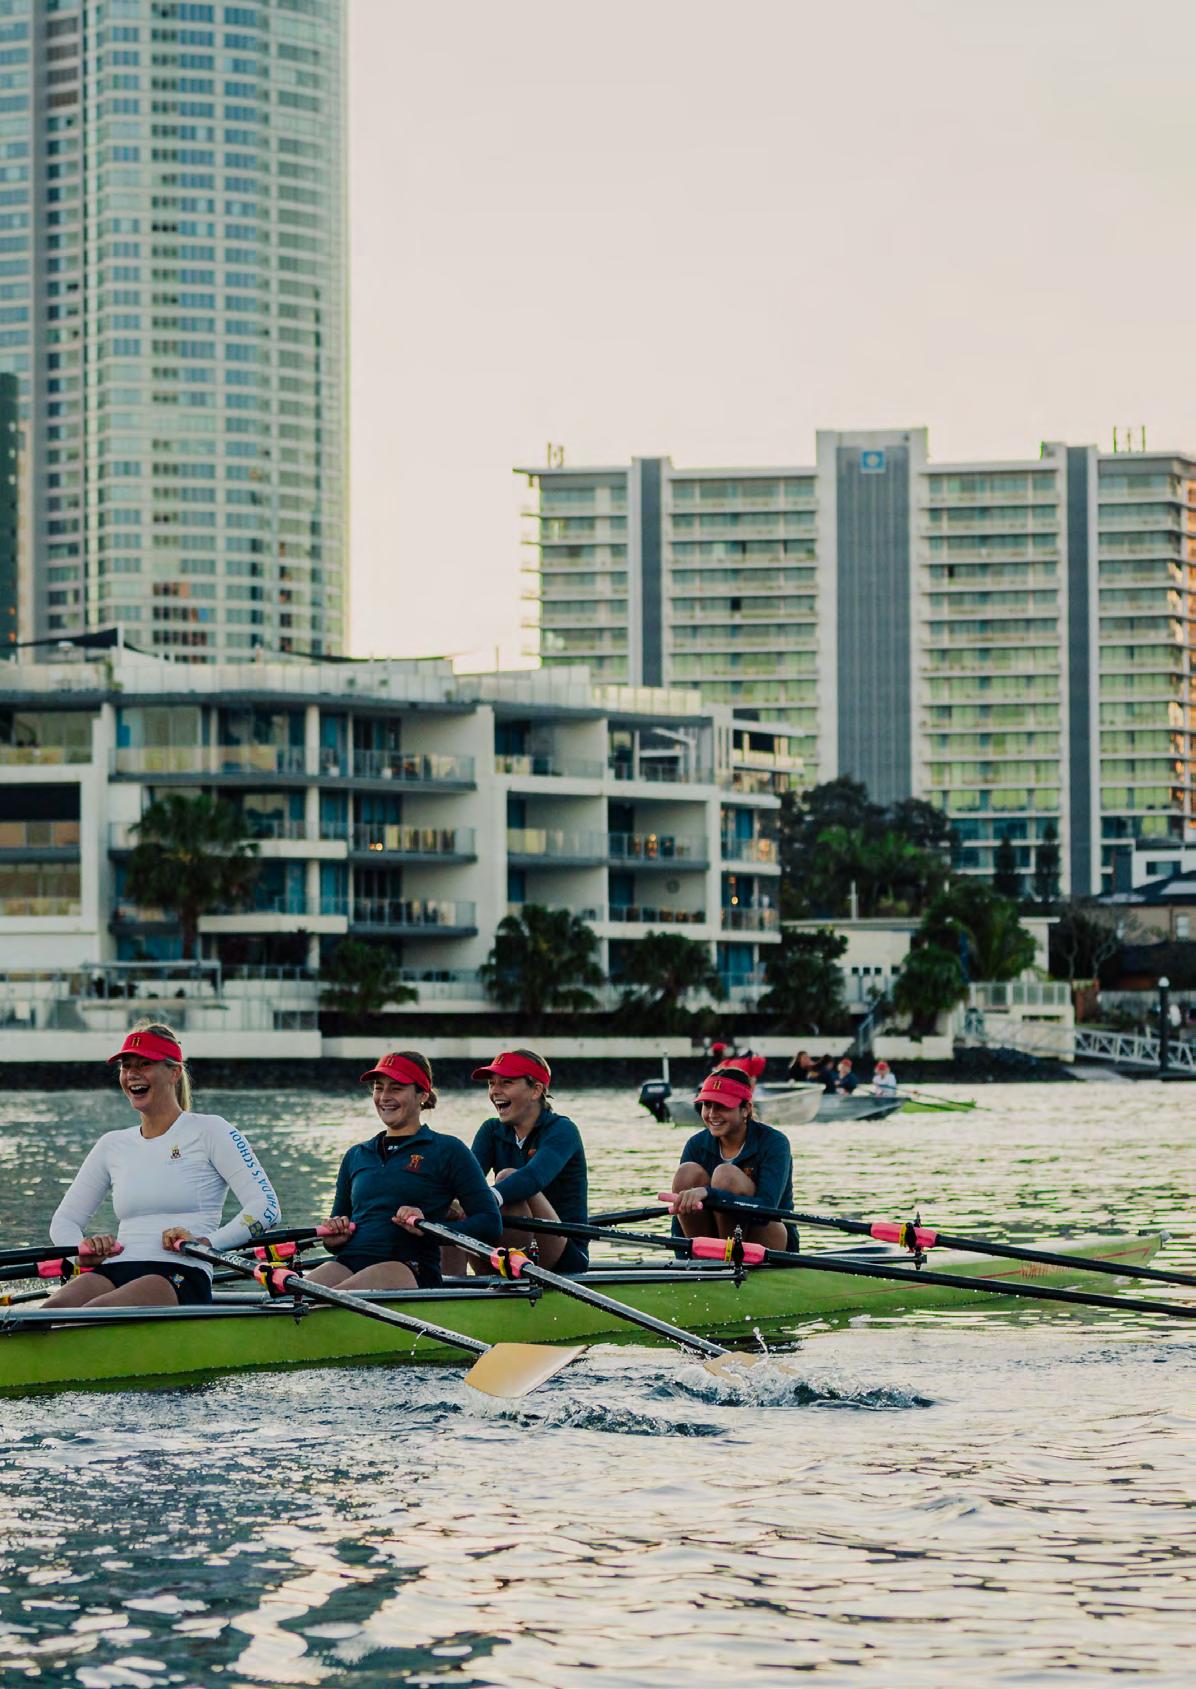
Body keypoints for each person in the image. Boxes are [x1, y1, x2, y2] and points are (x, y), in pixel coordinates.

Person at [46, 1021, 280, 1308]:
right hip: (116, 1267)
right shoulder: (112, 1144)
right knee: (44, 1315)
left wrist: (206, 1243)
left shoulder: (211, 1131)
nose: (132, 1074)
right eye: (126, 1066)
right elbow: (64, 1222)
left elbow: (267, 1207)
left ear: (174, 1072)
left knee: (88, 1316)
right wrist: (80, 1254)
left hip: (180, 1272)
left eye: (145, 1064)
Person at [312, 1050, 501, 1291]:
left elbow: (489, 1223)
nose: (384, 1097)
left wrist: (430, 1228)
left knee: (323, 1303)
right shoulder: (356, 1155)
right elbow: (337, 1232)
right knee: (288, 1299)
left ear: (422, 1094)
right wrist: (333, 1239)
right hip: (349, 1261)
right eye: (379, 1088)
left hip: (409, 1267)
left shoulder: (448, 1150)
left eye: (396, 1088)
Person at [462, 1048, 589, 1272]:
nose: (495, 1091)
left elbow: (532, 1178)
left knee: (508, 1177)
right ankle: (445, 1282)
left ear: (536, 1090)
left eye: (506, 1083)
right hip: (512, 1249)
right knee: (452, 1200)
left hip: (566, 1254)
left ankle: (509, 1280)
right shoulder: (491, 1130)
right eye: (491, 1083)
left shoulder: (562, 1130)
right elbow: (463, 1182)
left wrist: (487, 1198)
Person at [661, 1068, 797, 1250]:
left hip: (767, 1237)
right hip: (712, 1246)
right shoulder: (696, 1145)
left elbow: (767, 1208)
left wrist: (709, 1194)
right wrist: (681, 1259)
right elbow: (680, 1214)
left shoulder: (774, 1143)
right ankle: (704, 1258)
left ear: (746, 1109)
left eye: (722, 1106)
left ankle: (728, 1257)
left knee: (725, 1176)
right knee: (687, 1173)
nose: (712, 1114)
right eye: (707, 1105)